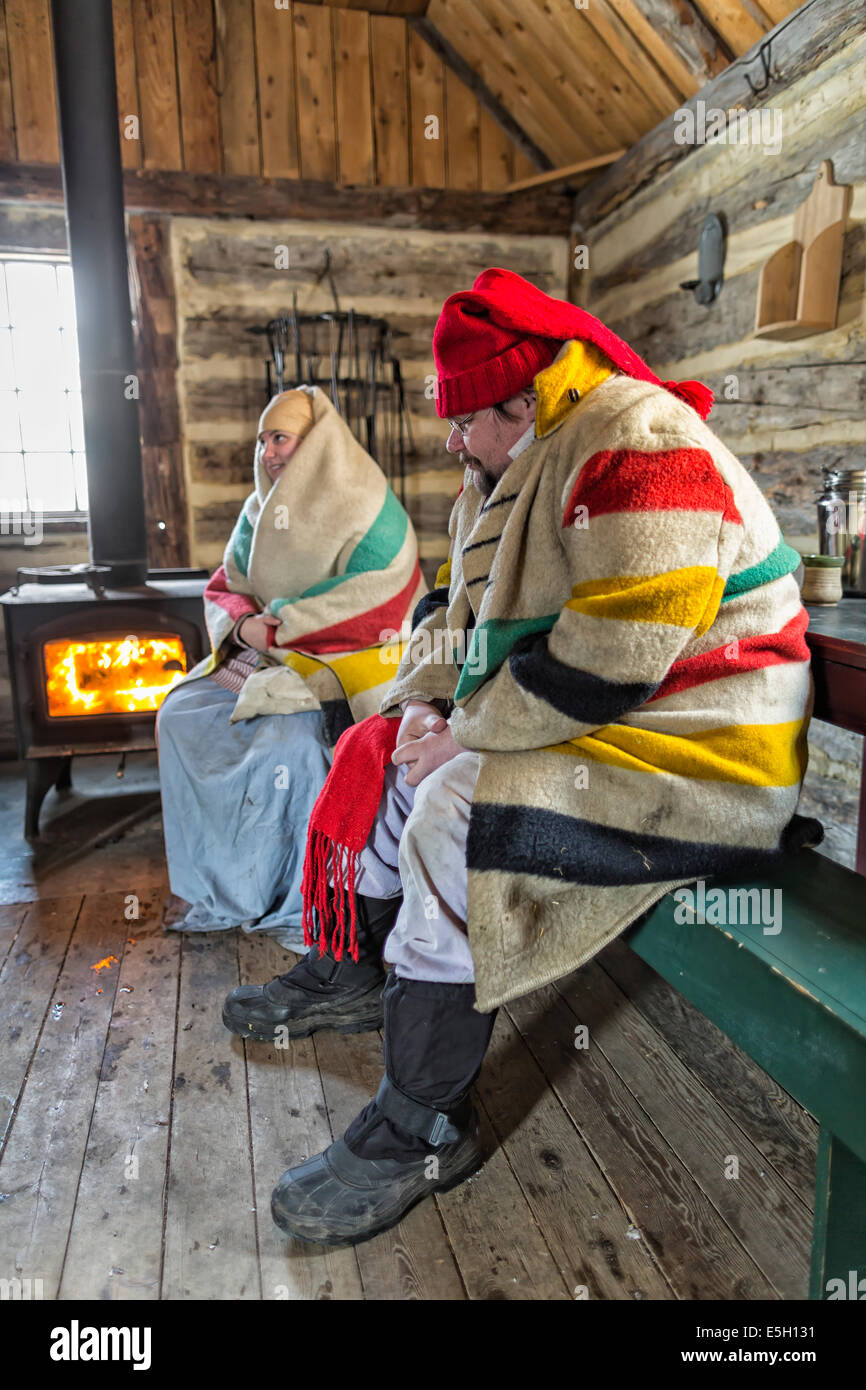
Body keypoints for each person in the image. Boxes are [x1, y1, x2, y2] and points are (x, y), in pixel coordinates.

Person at [223, 269, 821, 1245]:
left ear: (521, 398)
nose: (450, 439)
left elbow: (613, 652)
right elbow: (444, 622)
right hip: (613, 717)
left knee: (454, 809)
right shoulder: (498, 476)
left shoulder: (635, 437)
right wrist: (420, 708)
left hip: (703, 744)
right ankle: (358, 970)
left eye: (465, 420)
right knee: (381, 753)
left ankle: (425, 1118)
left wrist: (460, 734)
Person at [157, 385, 425, 951]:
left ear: (317, 444)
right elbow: (226, 586)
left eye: (280, 438)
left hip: (349, 660)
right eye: (262, 441)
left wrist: (274, 625)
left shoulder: (367, 503)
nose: (269, 453)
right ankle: (213, 884)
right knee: (181, 713)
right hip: (269, 655)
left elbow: (379, 595)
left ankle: (298, 893)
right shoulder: (258, 512)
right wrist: (244, 627)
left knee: (289, 744)